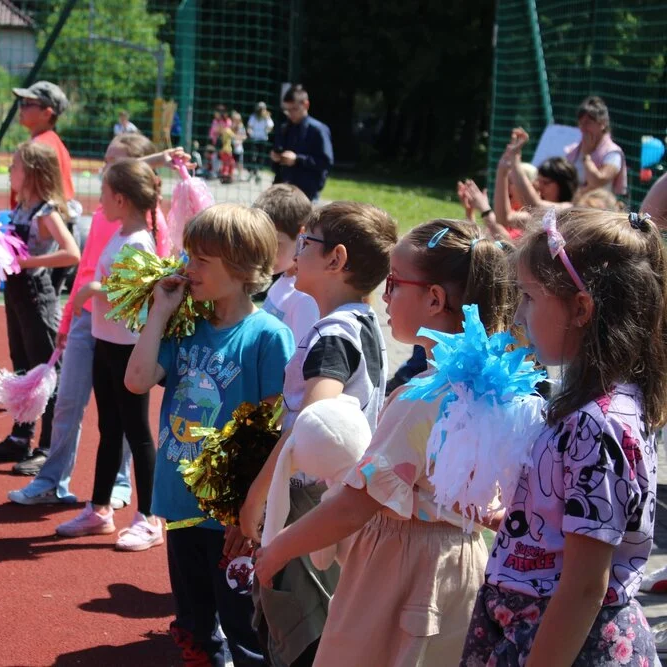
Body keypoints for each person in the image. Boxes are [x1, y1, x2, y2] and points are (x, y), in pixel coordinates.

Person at [255, 219, 516, 666]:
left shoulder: (419, 400)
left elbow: (355, 505)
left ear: (434, 299)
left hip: (404, 574)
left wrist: (277, 547)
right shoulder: (496, 388)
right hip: (464, 564)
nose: (385, 296)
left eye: (395, 283)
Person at [459, 208, 667, 666]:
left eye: (530, 298)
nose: (519, 313)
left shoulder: (597, 424)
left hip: (559, 641)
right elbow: (579, 525)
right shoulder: (600, 406)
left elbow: (584, 587)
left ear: (580, 308)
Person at [125, 204, 296, 667]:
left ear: (241, 270)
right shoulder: (185, 326)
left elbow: (274, 430)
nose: (187, 268)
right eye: (188, 256)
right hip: (180, 502)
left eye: (201, 260)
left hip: (230, 518)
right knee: (195, 624)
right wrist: (160, 312)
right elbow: (137, 380)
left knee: (242, 627)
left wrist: (249, 514)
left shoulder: (267, 336)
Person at [243, 202, 398, 667]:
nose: (297, 249)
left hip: (306, 503)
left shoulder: (331, 335)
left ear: (336, 259)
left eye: (308, 242)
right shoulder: (363, 321)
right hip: (335, 499)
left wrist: (257, 494)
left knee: (300, 634)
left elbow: (310, 424)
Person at [8, 132, 172, 495]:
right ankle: (53, 481)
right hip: (89, 320)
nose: (104, 168)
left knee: (126, 418)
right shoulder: (104, 215)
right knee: (69, 401)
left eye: (113, 162)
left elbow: (140, 288)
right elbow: (87, 272)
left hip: (123, 332)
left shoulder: (147, 225)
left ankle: (122, 483)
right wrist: (71, 314)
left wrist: (157, 160)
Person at [53, 159, 164, 551]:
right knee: (110, 429)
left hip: (128, 350)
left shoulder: (138, 243)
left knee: (137, 431)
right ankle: (100, 509)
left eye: (103, 194)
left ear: (120, 198)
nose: (98, 202)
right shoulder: (122, 234)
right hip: (107, 343)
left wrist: (90, 290)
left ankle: (149, 518)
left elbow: (134, 295)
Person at [0, 142, 80, 468]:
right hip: (16, 294)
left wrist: (27, 260)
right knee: (22, 367)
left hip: (37, 294)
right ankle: (21, 438)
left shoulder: (45, 211)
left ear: (32, 172)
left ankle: (48, 448)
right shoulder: (20, 208)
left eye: (15, 166)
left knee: (46, 371)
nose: (10, 171)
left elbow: (71, 253)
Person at [9, 81, 78, 300]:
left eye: (28, 103)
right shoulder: (50, 142)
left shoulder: (41, 147)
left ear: (47, 113)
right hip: (50, 231)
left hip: (46, 237)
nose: (21, 108)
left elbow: (54, 198)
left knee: (40, 307)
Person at [255, 184, 319, 343]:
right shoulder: (283, 281)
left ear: (301, 238)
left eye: (275, 244)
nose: (265, 252)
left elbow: (300, 358)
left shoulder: (305, 297)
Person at [271, 85, 333, 202]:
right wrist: (276, 157)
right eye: (287, 110)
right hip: (283, 190)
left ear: (306, 105)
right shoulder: (285, 128)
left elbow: (326, 162)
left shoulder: (318, 130)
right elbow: (278, 157)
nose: (290, 114)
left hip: (306, 194)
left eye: (294, 109)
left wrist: (297, 159)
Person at [565, 95, 627, 197]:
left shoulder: (613, 153)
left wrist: (586, 157)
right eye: (580, 123)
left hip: (599, 209)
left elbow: (597, 182)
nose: (583, 129)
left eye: (588, 123)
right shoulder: (573, 151)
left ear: (602, 123)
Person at [504, 127, 578, 211]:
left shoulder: (569, 208)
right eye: (539, 181)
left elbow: (535, 206)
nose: (539, 187)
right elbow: (505, 218)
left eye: (545, 183)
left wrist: (515, 158)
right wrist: (502, 170)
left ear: (563, 185)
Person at [247, 102, 275, 181]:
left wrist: (267, 129)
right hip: (254, 139)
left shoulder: (267, 117)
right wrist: (249, 131)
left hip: (263, 139)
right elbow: (249, 126)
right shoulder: (253, 117)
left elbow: (271, 126)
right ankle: (252, 170)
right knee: (253, 155)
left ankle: (257, 171)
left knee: (260, 157)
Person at [231, 112, 248, 181]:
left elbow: (244, 136)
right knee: (231, 162)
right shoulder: (231, 126)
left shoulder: (241, 127)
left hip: (238, 148)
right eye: (235, 119)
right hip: (231, 146)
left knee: (240, 162)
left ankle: (240, 175)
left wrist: (240, 140)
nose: (236, 121)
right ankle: (231, 175)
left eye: (238, 119)